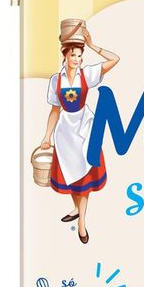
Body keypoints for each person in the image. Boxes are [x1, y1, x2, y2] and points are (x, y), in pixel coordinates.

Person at [40, 25, 119, 244]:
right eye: (73, 55)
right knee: (71, 173)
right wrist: (47, 137)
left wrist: (92, 45)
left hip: (84, 127)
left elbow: (115, 59)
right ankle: (76, 209)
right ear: (65, 55)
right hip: (65, 131)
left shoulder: (87, 74)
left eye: (80, 55)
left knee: (83, 176)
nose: (77, 59)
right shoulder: (55, 80)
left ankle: (82, 222)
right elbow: (55, 110)